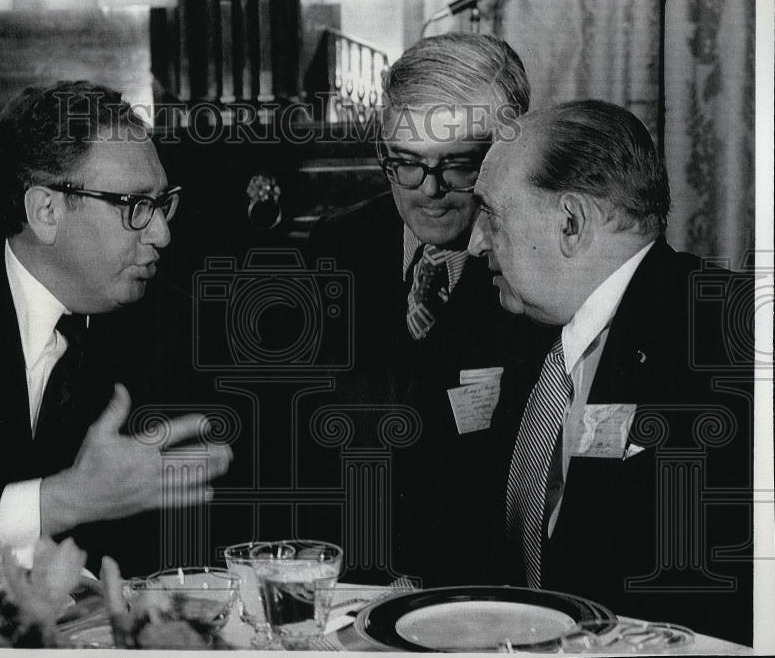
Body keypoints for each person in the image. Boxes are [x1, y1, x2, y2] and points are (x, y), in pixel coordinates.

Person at [0, 81, 232, 575]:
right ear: (45, 211)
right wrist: (60, 502)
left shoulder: (188, 331)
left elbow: (199, 548)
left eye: (163, 203)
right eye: (135, 206)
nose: (162, 233)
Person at [469, 99, 753, 644]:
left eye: (492, 214)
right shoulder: (526, 334)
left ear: (571, 223)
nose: (477, 240)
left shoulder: (730, 341)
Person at [309, 33, 541, 584]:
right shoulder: (335, 247)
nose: (430, 191)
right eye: (406, 163)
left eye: (459, 165)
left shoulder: (539, 265)